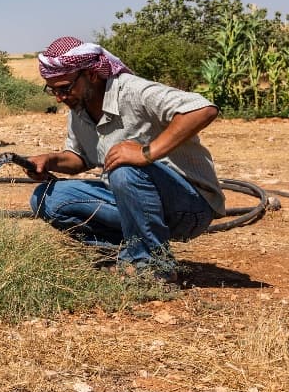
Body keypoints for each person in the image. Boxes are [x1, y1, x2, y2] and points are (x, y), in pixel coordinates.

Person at [26, 36, 224, 283]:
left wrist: (146, 153)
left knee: (125, 165)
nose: (59, 97)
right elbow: (79, 159)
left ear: (92, 75)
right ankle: (126, 254)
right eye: (52, 90)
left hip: (189, 205)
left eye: (64, 88)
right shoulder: (79, 107)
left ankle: (154, 266)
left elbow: (203, 109)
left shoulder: (133, 91)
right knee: (45, 198)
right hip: (132, 202)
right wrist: (50, 160)